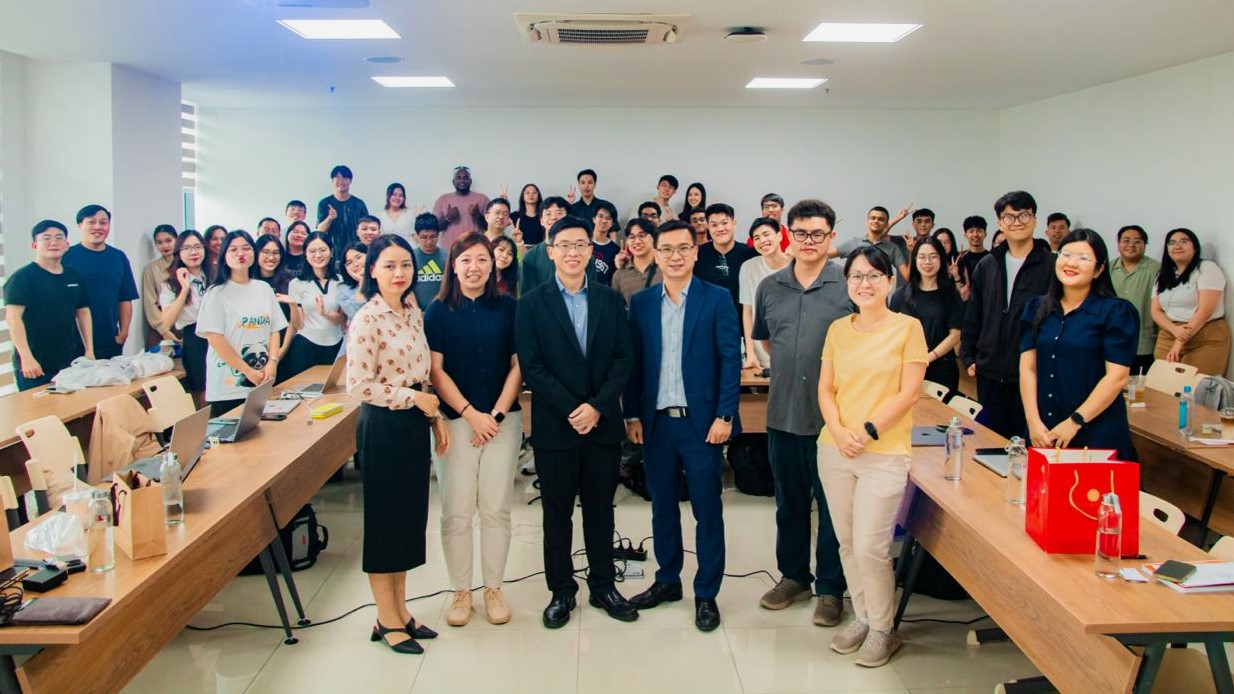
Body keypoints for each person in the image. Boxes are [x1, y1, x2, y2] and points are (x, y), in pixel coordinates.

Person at [514, 216, 637, 629]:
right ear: (550, 252)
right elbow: (531, 365)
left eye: (580, 245)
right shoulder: (531, 303)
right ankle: (561, 591)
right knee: (557, 513)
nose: (572, 252)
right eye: (563, 245)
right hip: (555, 426)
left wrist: (598, 407)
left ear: (591, 251)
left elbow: (624, 358)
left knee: (601, 510)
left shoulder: (609, 300)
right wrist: (573, 408)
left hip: (601, 425)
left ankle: (603, 585)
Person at [623, 220, 742, 632]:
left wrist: (725, 415)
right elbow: (634, 364)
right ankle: (667, 580)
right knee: (662, 508)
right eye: (667, 249)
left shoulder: (717, 299)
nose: (675, 256)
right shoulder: (641, 303)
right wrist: (632, 414)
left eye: (683, 248)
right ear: (655, 254)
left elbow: (731, 361)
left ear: (696, 251)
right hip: (656, 424)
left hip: (703, 425)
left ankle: (706, 592)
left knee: (708, 511)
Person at [817, 246, 927, 669]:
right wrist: (841, 432)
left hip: (883, 452)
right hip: (835, 447)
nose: (864, 284)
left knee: (871, 546)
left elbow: (908, 392)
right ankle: (863, 617)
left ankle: (884, 629)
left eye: (873, 276)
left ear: (890, 282)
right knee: (846, 542)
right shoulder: (838, 329)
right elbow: (826, 390)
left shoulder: (908, 328)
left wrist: (864, 432)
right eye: (856, 276)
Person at [347, 234, 448, 654]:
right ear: (373, 270)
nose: (399, 273)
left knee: (408, 521)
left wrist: (433, 415)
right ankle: (385, 619)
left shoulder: (411, 311)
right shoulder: (367, 318)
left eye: (405, 264)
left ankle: (401, 610)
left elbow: (422, 372)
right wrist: (415, 399)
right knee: (386, 524)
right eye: (389, 265)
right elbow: (359, 384)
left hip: (413, 423)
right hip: (384, 425)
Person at [751, 199, 849, 627]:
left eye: (818, 234)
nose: (809, 242)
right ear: (788, 236)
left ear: (831, 236)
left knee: (832, 508)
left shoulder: (850, 283)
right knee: (789, 503)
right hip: (783, 414)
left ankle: (831, 589)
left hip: (835, 420)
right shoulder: (770, 286)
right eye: (801, 233)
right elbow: (768, 342)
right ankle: (793, 576)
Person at [424, 233, 523, 627]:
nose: (474, 267)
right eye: (465, 260)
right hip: (455, 424)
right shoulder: (437, 311)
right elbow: (436, 370)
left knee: (496, 510)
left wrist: (495, 416)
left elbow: (519, 365)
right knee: (457, 513)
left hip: (504, 422)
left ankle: (493, 588)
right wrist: (470, 414)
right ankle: (461, 591)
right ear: (453, 265)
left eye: (482, 259)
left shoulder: (510, 308)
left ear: (493, 264)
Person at [1021, 229, 1138, 461]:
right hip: (1044, 430)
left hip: (1095, 431)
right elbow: (1028, 367)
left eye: (1083, 258)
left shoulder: (1115, 312)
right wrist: (1033, 421)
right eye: (1065, 255)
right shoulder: (1037, 308)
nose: (1071, 263)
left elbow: (1117, 378)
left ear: (1098, 269)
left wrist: (1075, 421)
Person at [960, 191, 1054, 438]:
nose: (1018, 222)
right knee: (992, 441)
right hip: (989, 370)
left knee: (1027, 442)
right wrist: (969, 356)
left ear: (1034, 220)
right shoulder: (987, 265)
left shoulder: (1051, 266)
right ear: (1000, 223)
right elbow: (974, 314)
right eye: (1009, 217)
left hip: (1034, 372)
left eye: (1024, 215)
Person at [196, 230, 287, 417]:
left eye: (246, 248)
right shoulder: (216, 293)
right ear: (224, 256)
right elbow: (215, 338)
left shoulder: (263, 289)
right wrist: (247, 371)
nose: (241, 254)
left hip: (262, 379)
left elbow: (274, 330)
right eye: (234, 249)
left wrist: (272, 362)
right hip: (227, 385)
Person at [5, 220, 93, 390]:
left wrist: (89, 350)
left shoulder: (74, 276)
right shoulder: (23, 278)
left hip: (69, 361)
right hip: (35, 363)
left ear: (67, 244)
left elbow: (83, 312)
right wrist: (26, 357)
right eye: (46, 238)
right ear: (34, 244)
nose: (53, 242)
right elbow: (13, 318)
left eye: (59, 238)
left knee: (71, 412)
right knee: (39, 413)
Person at [63, 204, 139, 360]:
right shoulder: (67, 257)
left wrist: (123, 334)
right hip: (72, 342)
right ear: (80, 225)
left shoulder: (118, 257)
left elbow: (125, 298)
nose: (98, 227)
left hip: (109, 341)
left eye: (103, 222)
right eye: (91, 222)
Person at [890, 238, 964, 399]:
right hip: (906, 367)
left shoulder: (951, 295)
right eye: (922, 257)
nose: (927, 262)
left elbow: (955, 335)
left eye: (933, 256)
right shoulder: (900, 295)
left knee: (941, 420)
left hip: (942, 368)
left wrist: (928, 358)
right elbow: (891, 332)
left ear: (941, 260)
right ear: (915, 259)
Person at [1150, 228, 1230, 376]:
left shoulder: (1207, 269)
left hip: (1204, 335)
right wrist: (1175, 330)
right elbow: (1155, 310)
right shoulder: (1163, 274)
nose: (1177, 246)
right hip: (1169, 333)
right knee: (1164, 388)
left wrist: (1179, 340)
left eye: (1183, 241)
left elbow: (1205, 311)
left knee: (1197, 390)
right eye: (1172, 243)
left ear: (1194, 247)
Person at [284, 232, 345, 377]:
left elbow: (343, 320)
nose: (318, 255)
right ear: (305, 254)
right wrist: (293, 304)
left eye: (323, 250)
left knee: (334, 392)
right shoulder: (296, 284)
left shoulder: (341, 282)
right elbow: (298, 325)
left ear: (331, 251)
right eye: (312, 251)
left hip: (336, 345)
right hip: (306, 345)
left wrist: (325, 314)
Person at [158, 230, 210, 399]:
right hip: (195, 338)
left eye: (197, 246)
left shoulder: (217, 276)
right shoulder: (170, 284)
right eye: (186, 248)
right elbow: (165, 323)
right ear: (178, 253)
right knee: (201, 390)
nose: (193, 252)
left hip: (222, 334)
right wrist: (184, 289)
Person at [739, 218, 790, 370]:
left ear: (780, 235)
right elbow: (747, 312)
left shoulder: (796, 265)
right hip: (761, 353)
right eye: (757, 238)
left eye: (766, 234)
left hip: (792, 352)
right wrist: (751, 352)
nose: (762, 240)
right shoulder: (749, 267)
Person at [1110, 225, 1161, 374]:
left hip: (1144, 344)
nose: (1131, 245)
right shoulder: (1108, 268)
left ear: (1145, 245)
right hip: (1112, 341)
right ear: (1118, 244)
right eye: (1126, 240)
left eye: (1137, 241)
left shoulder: (1156, 269)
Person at [696, 203, 757, 312]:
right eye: (714, 225)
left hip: (742, 322)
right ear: (708, 227)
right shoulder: (697, 255)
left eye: (725, 223)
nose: (720, 229)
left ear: (734, 223)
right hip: (707, 322)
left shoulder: (750, 254)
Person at [252, 234, 297, 376]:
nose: (271, 257)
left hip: (285, 346)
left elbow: (292, 320)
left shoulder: (289, 282)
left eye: (276, 253)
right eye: (266, 252)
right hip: (255, 347)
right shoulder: (248, 282)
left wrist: (282, 349)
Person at [831, 207, 910, 284]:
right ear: (867, 221)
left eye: (881, 219)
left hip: (879, 295)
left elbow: (907, 277)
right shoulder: (854, 242)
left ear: (886, 224)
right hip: (854, 294)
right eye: (873, 218)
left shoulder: (892, 248)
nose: (876, 221)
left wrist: (912, 252)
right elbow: (823, 256)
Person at [518, 197, 573, 294]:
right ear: (541, 220)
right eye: (548, 214)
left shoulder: (582, 254)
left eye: (559, 213)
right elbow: (528, 296)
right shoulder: (531, 256)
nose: (553, 217)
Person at [317, 164, 370, 260]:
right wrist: (330, 218)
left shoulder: (359, 204)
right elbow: (320, 231)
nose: (341, 181)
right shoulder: (324, 203)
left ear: (350, 181)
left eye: (345, 178)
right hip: (332, 254)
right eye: (337, 178)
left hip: (356, 253)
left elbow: (367, 230)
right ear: (332, 180)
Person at [433, 165, 490, 249]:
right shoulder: (442, 199)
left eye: (465, 178)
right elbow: (435, 229)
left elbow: (491, 227)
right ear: (453, 181)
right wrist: (447, 218)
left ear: (470, 181)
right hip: (450, 251)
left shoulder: (483, 199)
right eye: (458, 178)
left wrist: (478, 216)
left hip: (476, 248)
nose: (462, 180)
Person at [140, 224, 178, 348]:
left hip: (185, 322)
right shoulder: (151, 269)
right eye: (159, 242)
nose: (165, 246)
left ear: (177, 240)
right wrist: (164, 330)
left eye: (168, 241)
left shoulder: (186, 264)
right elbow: (150, 302)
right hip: (160, 324)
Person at [611, 218, 662, 304]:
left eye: (642, 235)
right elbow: (616, 308)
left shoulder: (665, 266)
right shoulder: (620, 274)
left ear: (653, 238)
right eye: (631, 237)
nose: (637, 241)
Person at [337, 242, 369, 356]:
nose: (355, 264)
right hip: (356, 346)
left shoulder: (384, 282)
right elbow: (356, 313)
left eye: (359, 257)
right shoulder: (344, 289)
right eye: (349, 263)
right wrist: (362, 282)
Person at [411, 213, 448, 309]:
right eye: (424, 237)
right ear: (416, 236)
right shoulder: (410, 258)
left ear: (438, 235)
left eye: (433, 237)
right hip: (416, 311)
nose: (429, 242)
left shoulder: (447, 257)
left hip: (441, 310)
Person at [932, 228, 969, 301]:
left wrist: (956, 276)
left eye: (947, 242)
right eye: (939, 242)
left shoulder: (959, 264)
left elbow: (962, 296)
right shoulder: (927, 265)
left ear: (952, 244)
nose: (943, 245)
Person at [590, 201, 620, 286]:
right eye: (600, 216)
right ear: (594, 219)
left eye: (608, 218)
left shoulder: (615, 250)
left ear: (612, 223)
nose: (604, 221)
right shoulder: (582, 241)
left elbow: (612, 280)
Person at [958, 215, 990, 288]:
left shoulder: (991, 258)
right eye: (971, 231)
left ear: (985, 234)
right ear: (965, 235)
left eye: (979, 231)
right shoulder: (960, 258)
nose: (975, 234)